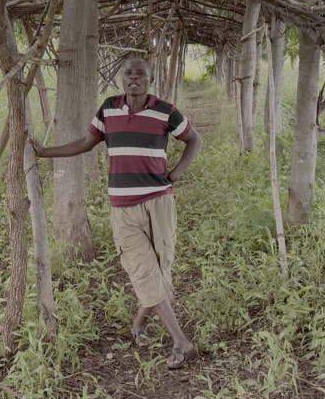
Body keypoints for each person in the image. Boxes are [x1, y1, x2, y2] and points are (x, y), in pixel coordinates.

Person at [31, 57, 201, 368]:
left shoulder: (165, 110)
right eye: (128, 73)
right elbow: (85, 143)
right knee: (142, 269)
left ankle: (139, 324)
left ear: (150, 79)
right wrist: (45, 153)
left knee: (159, 270)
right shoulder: (108, 108)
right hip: (122, 207)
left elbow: (193, 139)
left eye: (140, 74)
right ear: (121, 79)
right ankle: (181, 340)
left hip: (159, 202)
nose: (134, 78)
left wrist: (175, 174)